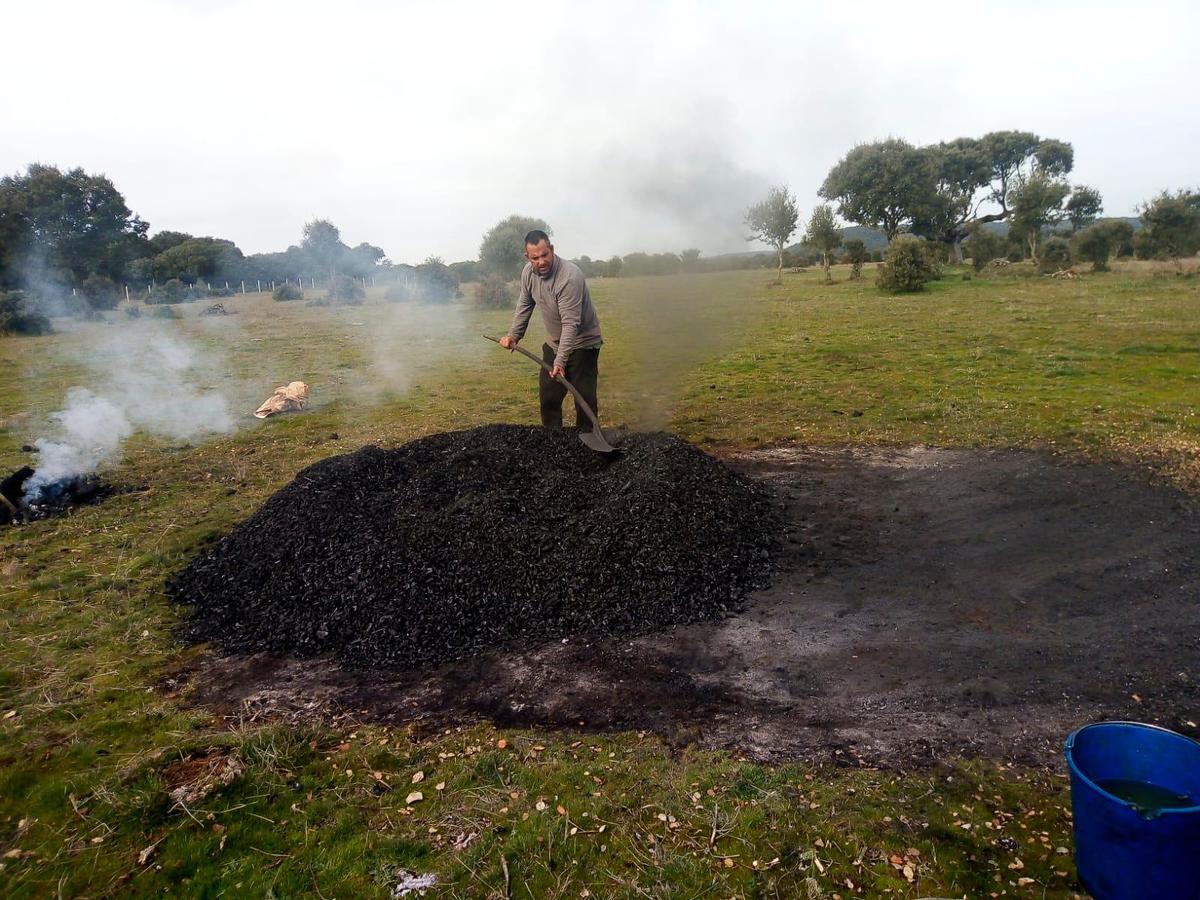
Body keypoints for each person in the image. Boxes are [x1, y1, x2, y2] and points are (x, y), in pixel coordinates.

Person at [499, 231, 603, 429]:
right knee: (549, 398)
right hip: (554, 343)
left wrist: (561, 361)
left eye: (545, 255)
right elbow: (525, 303)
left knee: (584, 399)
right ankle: (553, 442)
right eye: (535, 258)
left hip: (583, 344)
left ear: (552, 250)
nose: (541, 261)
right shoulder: (528, 273)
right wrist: (514, 335)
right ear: (527, 257)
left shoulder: (569, 277)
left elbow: (570, 324)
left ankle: (588, 443)